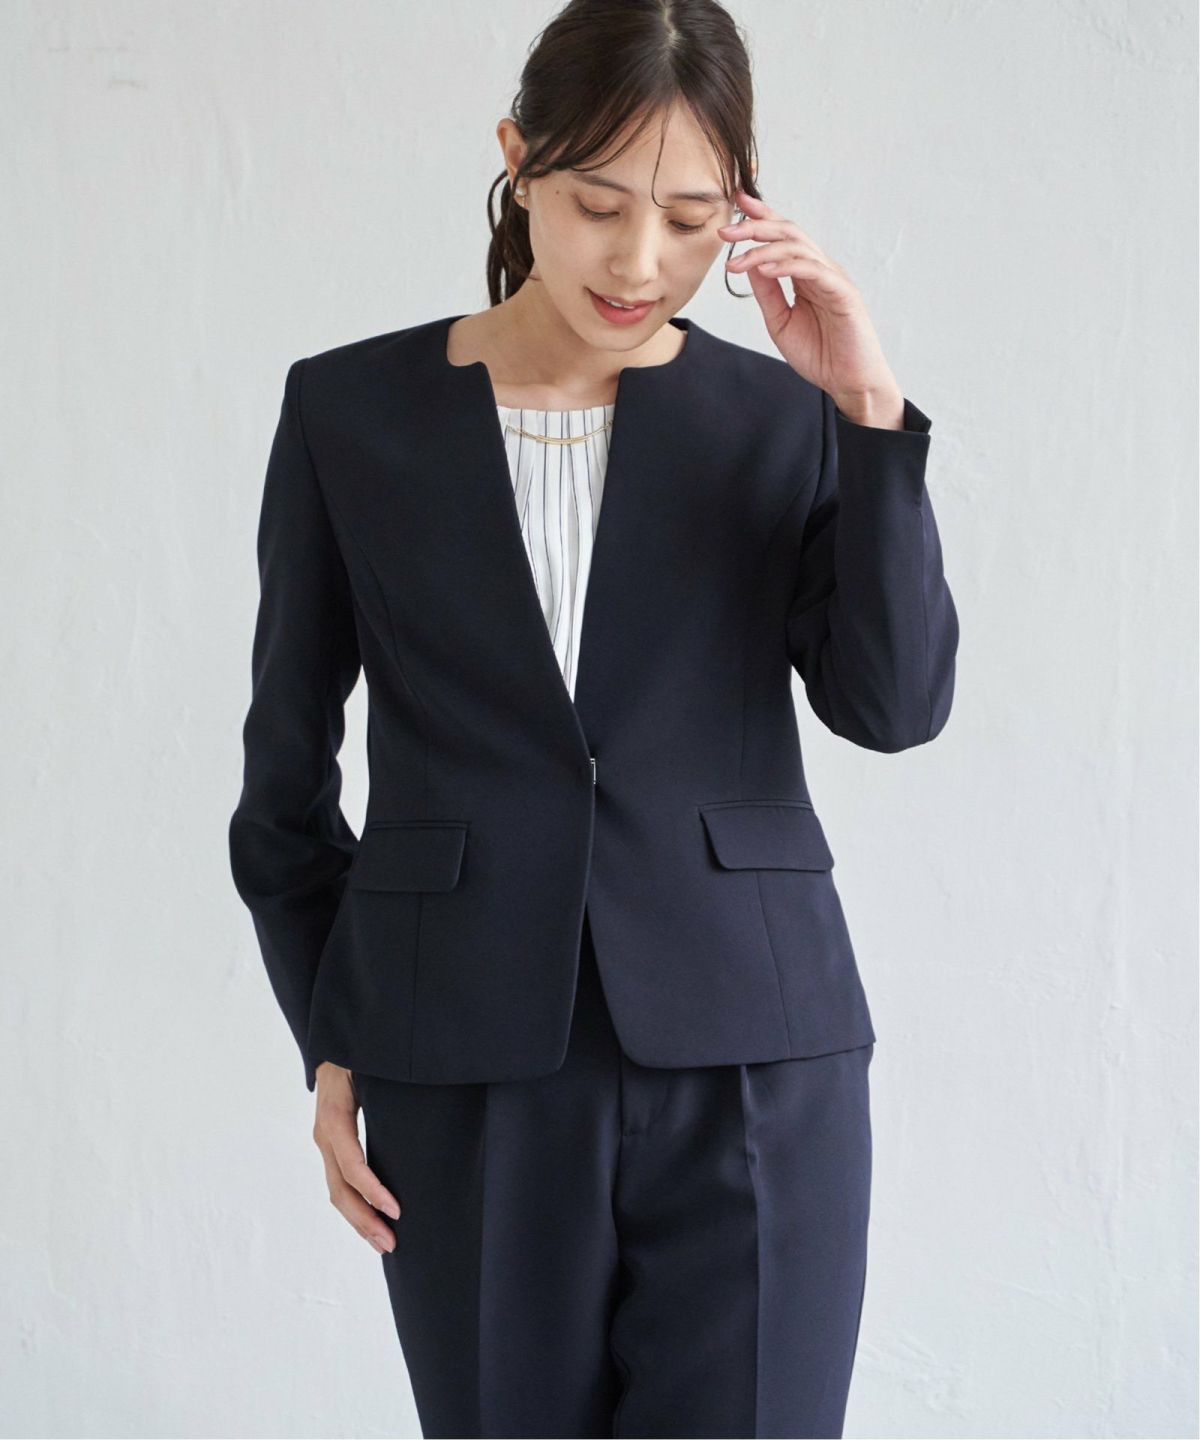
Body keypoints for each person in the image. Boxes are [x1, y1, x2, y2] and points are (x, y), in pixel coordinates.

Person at [228, 1, 959, 1434]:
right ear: (519, 162)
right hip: (461, 1059)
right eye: (598, 205)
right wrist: (331, 1033)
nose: (639, 264)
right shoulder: (348, 414)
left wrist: (869, 414)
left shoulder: (783, 417)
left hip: (757, 1053)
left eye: (691, 220)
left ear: (744, 205)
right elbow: (283, 781)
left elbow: (893, 704)